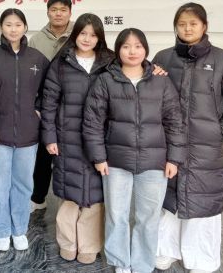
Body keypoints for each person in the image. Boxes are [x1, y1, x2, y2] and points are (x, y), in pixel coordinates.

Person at [153, 3, 223, 273]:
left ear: (204, 26)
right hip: (169, 142)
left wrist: (222, 131)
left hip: (206, 146)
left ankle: (202, 258)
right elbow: (150, 95)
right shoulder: (163, 57)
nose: (187, 29)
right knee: (168, 199)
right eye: (182, 24)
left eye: (193, 23)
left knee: (203, 201)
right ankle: (165, 250)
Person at [84, 28, 186, 273]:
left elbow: (174, 121)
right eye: (126, 46)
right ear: (118, 50)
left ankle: (142, 265)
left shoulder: (161, 80)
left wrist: (174, 158)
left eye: (138, 46)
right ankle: (120, 262)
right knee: (116, 214)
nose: (132, 51)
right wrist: (99, 157)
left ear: (146, 49)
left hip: (154, 162)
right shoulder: (106, 80)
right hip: (115, 161)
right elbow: (93, 121)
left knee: (148, 217)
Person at [41, 13, 113, 264]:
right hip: (66, 136)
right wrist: (50, 136)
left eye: (93, 35)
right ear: (75, 35)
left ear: (99, 38)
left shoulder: (110, 62)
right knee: (69, 193)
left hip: (99, 138)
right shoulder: (61, 62)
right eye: (83, 33)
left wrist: (153, 68)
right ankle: (68, 242)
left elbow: (135, 67)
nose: (87, 39)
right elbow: (49, 103)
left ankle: (90, 245)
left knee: (95, 195)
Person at [0, 8, 49, 252]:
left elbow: (49, 91)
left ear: (25, 27)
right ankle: (1, 230)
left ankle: (19, 229)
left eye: (18, 24)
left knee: (23, 184)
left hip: (29, 133)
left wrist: (38, 110)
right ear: (1, 27)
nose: (13, 29)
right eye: (8, 24)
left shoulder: (37, 59)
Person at [28, 0, 74, 212]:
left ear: (70, 12)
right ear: (47, 12)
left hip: (73, 102)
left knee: (70, 153)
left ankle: (71, 199)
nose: (58, 14)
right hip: (45, 102)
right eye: (54, 10)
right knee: (43, 153)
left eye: (63, 10)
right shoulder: (37, 39)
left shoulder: (79, 34)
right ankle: (38, 198)